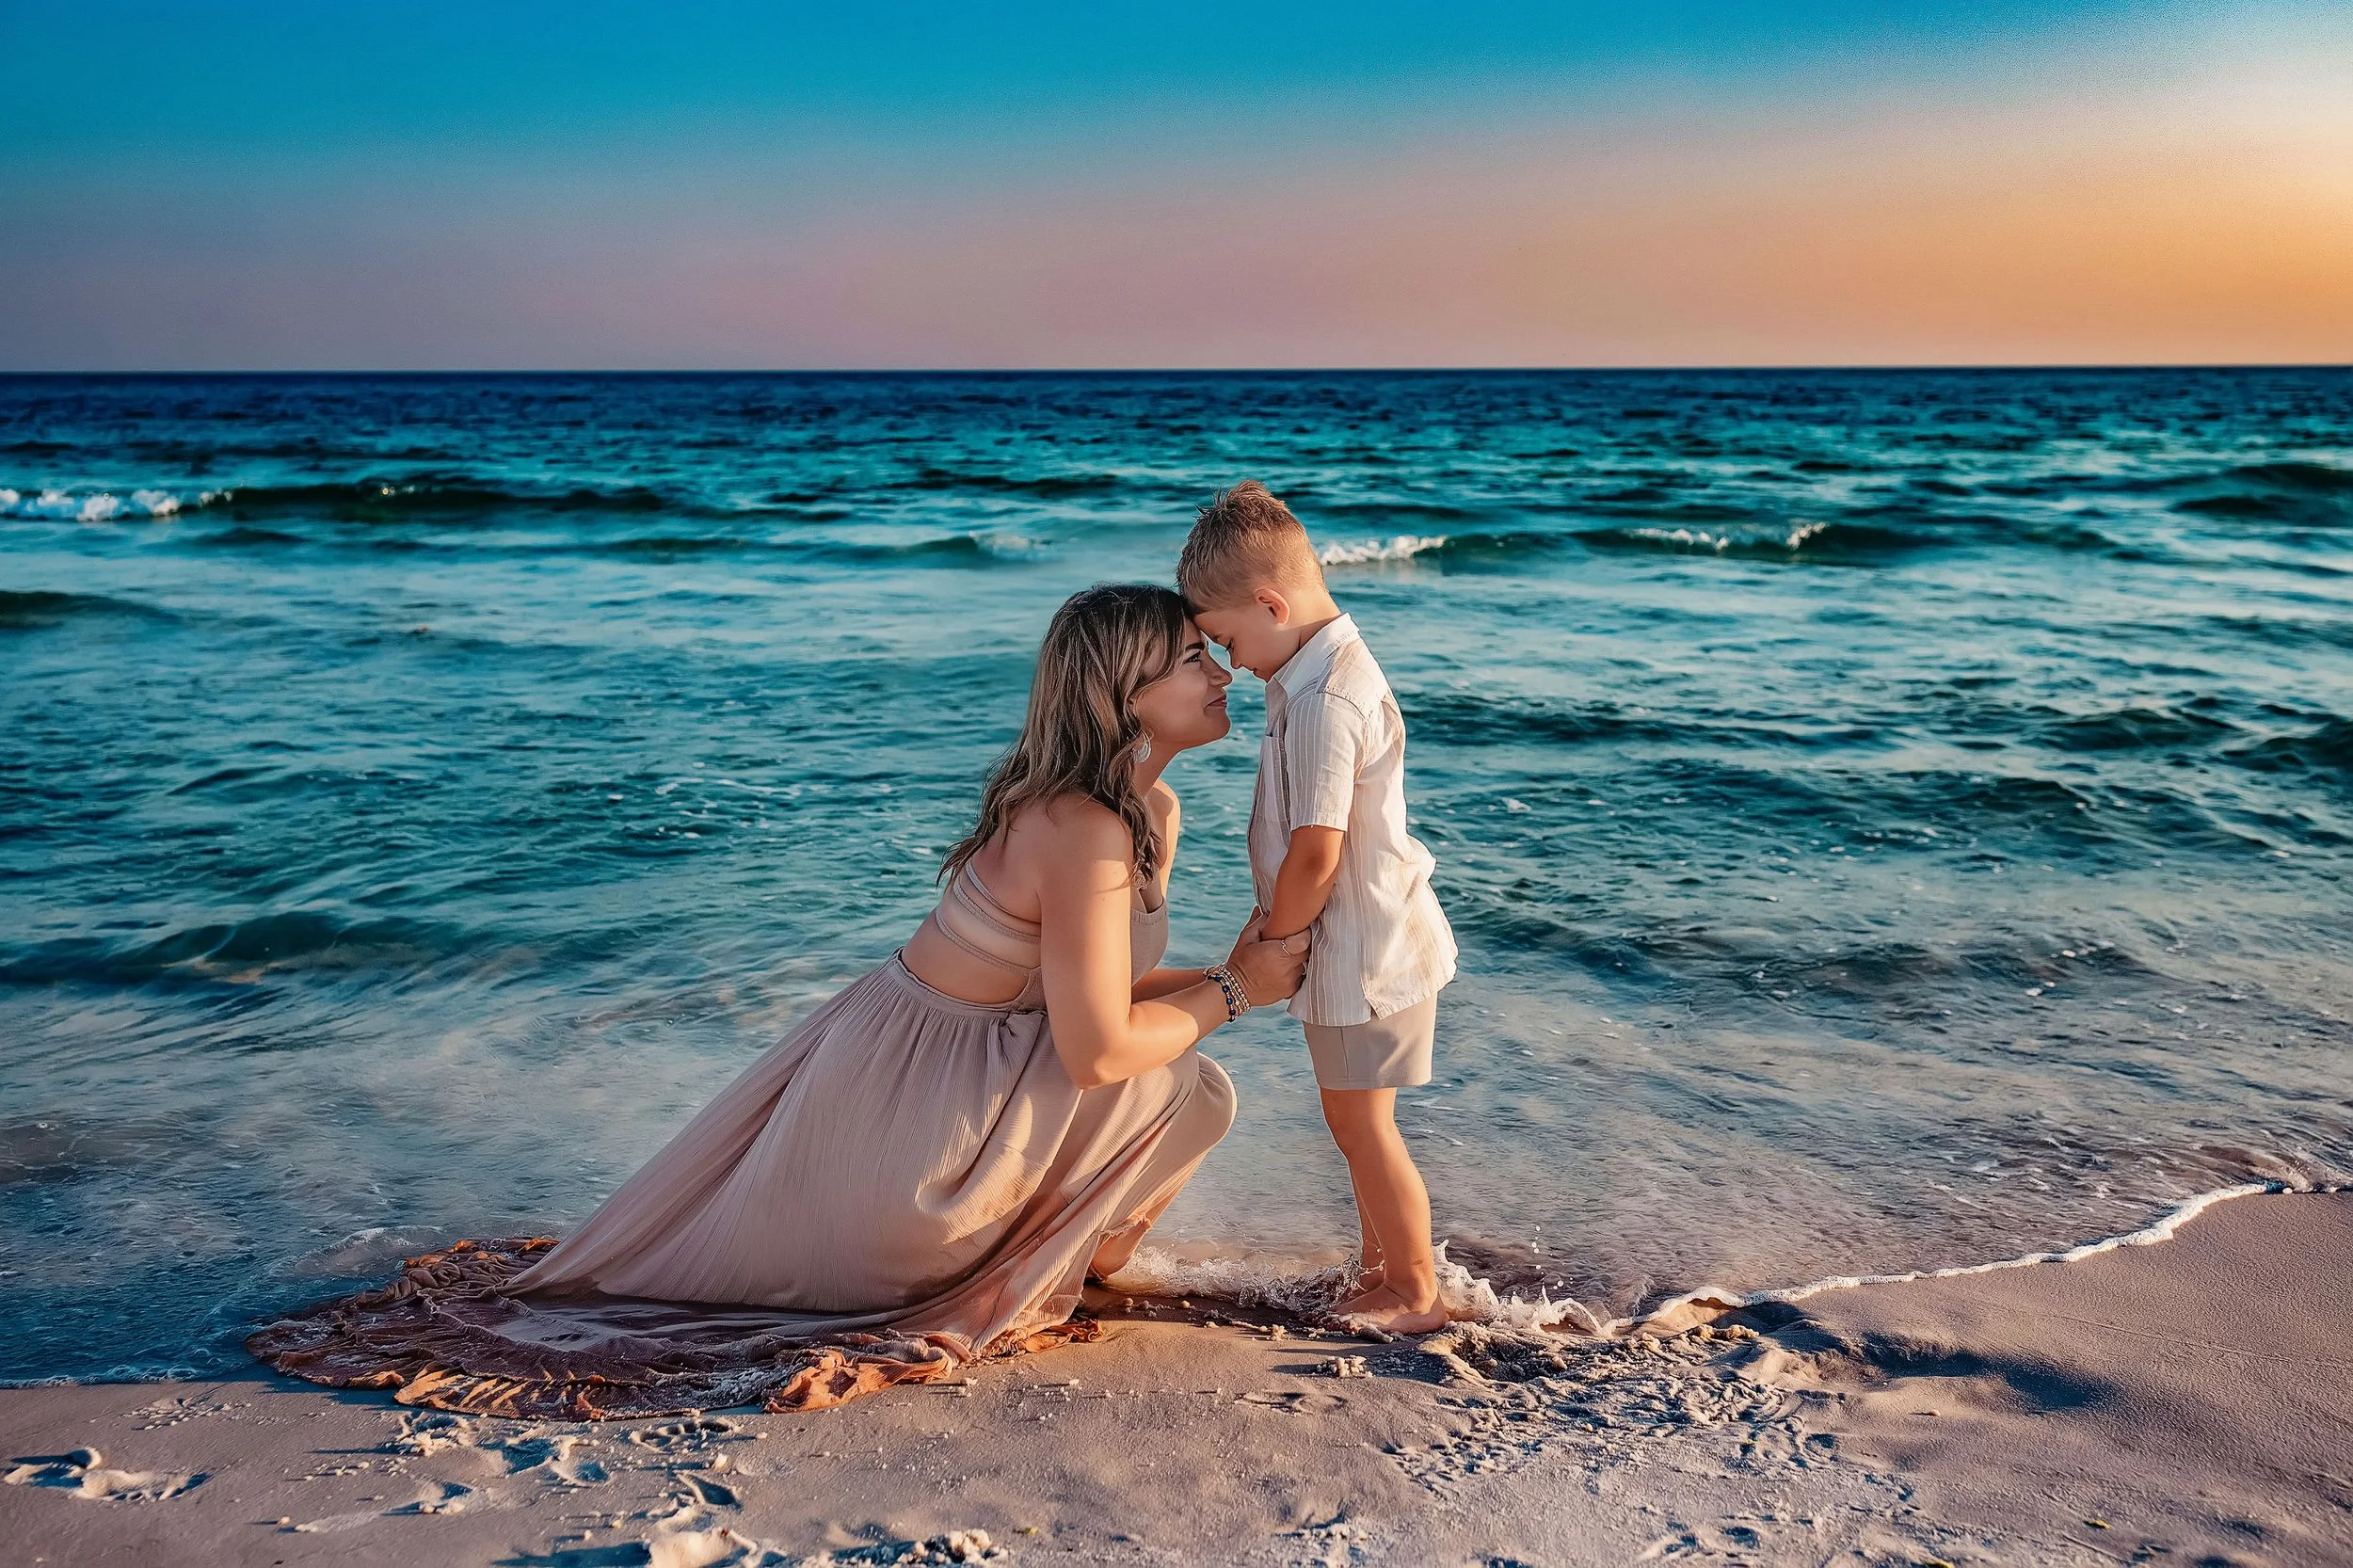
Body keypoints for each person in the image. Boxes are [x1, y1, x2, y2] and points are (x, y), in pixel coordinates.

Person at [249, 584, 1307, 1416]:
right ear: (1125, 695)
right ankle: (1041, 1267)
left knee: (1191, 1078)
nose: (1218, 670)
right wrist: (1234, 986)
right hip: (909, 1154)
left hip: (944, 1090)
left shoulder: (1144, 806)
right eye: (1187, 656)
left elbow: (1093, 998)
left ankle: (1073, 1259)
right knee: (1174, 1077)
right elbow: (1095, 1050)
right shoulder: (1081, 826)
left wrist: (1235, 974)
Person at [1177, 483, 1459, 1335]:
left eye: (1227, 639)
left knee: (1363, 1122)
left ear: (1272, 602)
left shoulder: (1325, 700)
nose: (1227, 663)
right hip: (1356, 938)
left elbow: (1316, 849)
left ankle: (1413, 1288)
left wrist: (1273, 939)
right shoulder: (1311, 673)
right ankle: (1380, 1269)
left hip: (1360, 948)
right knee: (1354, 1116)